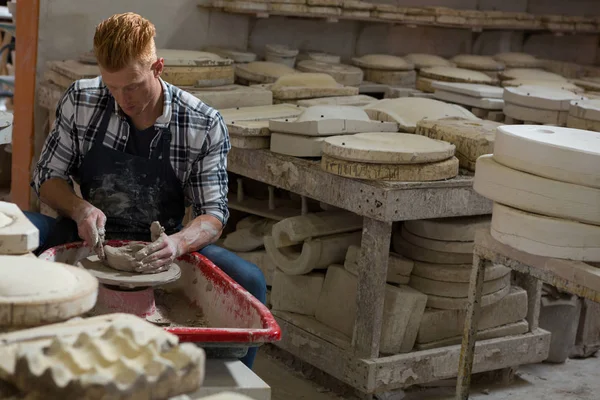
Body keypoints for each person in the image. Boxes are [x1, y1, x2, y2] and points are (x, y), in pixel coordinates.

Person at [25, 12, 266, 368]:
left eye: (133, 84)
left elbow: (213, 214)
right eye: (112, 87)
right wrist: (80, 209)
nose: (123, 98)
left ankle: (231, 383)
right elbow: (46, 177)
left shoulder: (202, 123)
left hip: (160, 248)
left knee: (251, 281)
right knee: (14, 239)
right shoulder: (82, 100)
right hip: (89, 231)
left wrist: (178, 243)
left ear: (158, 67)